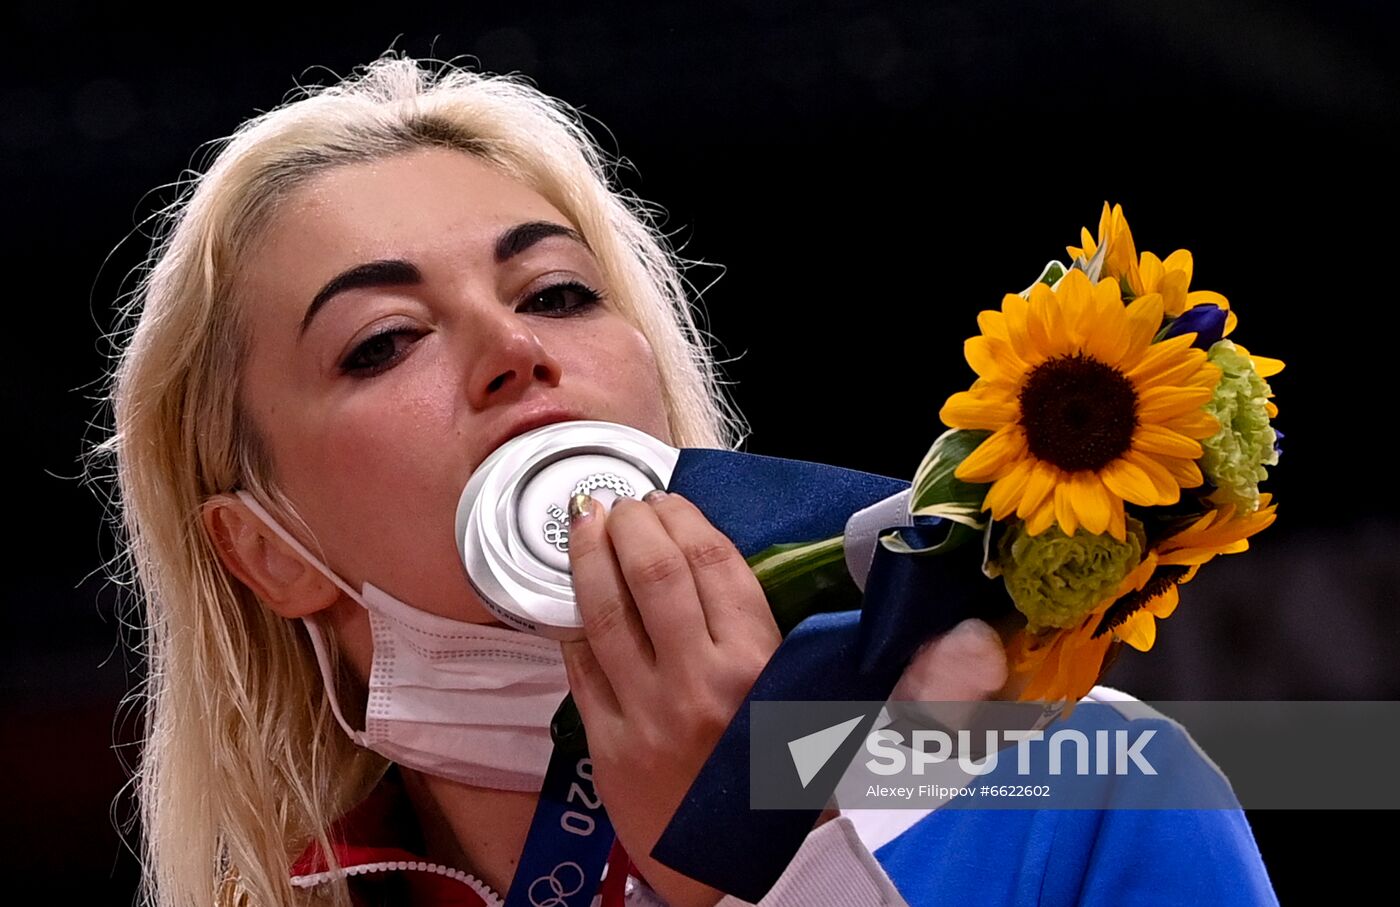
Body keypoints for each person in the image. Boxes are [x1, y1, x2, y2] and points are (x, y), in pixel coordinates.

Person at [91, 52, 1279, 906]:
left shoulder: (1077, 786)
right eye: (384, 340)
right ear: (262, 549)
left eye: (556, 292)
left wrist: (766, 860)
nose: (515, 350)